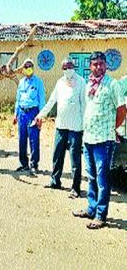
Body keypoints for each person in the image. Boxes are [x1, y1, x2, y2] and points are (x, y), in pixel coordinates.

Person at [73, 52, 126, 230]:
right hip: (88, 138)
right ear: (90, 66)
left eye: (101, 64)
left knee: (103, 179)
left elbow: (121, 110)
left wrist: (113, 128)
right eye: (95, 64)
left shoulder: (113, 84)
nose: (98, 67)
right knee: (91, 176)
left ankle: (101, 215)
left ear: (106, 65)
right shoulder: (89, 84)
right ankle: (91, 208)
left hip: (104, 140)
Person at [35, 59, 86, 198]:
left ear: (73, 67)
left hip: (76, 127)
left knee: (75, 158)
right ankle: (55, 180)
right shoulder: (60, 83)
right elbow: (51, 101)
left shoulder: (81, 82)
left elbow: (85, 105)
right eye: (64, 67)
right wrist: (40, 115)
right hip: (61, 125)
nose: (67, 70)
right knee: (57, 155)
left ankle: (75, 187)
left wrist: (85, 126)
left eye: (69, 67)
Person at [13, 58, 45, 175]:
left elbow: (42, 100)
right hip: (22, 113)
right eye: (26, 66)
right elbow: (18, 99)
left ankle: (34, 164)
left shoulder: (38, 82)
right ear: (23, 69)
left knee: (33, 139)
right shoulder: (21, 82)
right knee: (22, 139)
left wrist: (40, 117)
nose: (28, 68)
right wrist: (15, 114)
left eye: (30, 66)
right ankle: (23, 164)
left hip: (33, 113)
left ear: (33, 68)